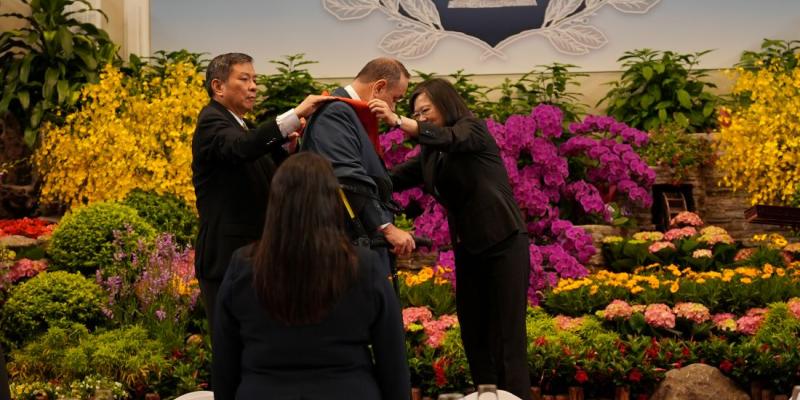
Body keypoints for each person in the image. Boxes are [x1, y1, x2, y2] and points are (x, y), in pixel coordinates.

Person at [370, 78, 532, 400]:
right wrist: (354, 181)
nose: (422, 117)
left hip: (504, 243)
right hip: (469, 249)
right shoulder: (431, 154)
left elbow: (452, 138)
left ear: (446, 104)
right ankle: (488, 396)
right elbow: (393, 179)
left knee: (506, 338)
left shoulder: (472, 129)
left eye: (426, 110)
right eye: (416, 112)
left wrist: (400, 121)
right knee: (475, 334)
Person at [212, 152, 410, 400]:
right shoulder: (364, 266)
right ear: (332, 202)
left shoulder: (244, 266)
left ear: (275, 203)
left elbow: (224, 364)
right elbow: (393, 362)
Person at [192, 52, 331, 333]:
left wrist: (288, 149)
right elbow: (241, 149)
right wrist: (295, 114)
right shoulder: (212, 121)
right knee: (231, 347)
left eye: (255, 79)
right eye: (244, 79)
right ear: (218, 86)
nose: (254, 86)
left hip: (254, 256)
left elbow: (260, 163)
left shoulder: (242, 125)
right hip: (227, 258)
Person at [301, 57, 415, 271]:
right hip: (344, 250)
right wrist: (387, 228)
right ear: (379, 87)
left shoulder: (345, 113)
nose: (393, 107)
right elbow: (347, 177)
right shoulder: (335, 113)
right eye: (395, 99)